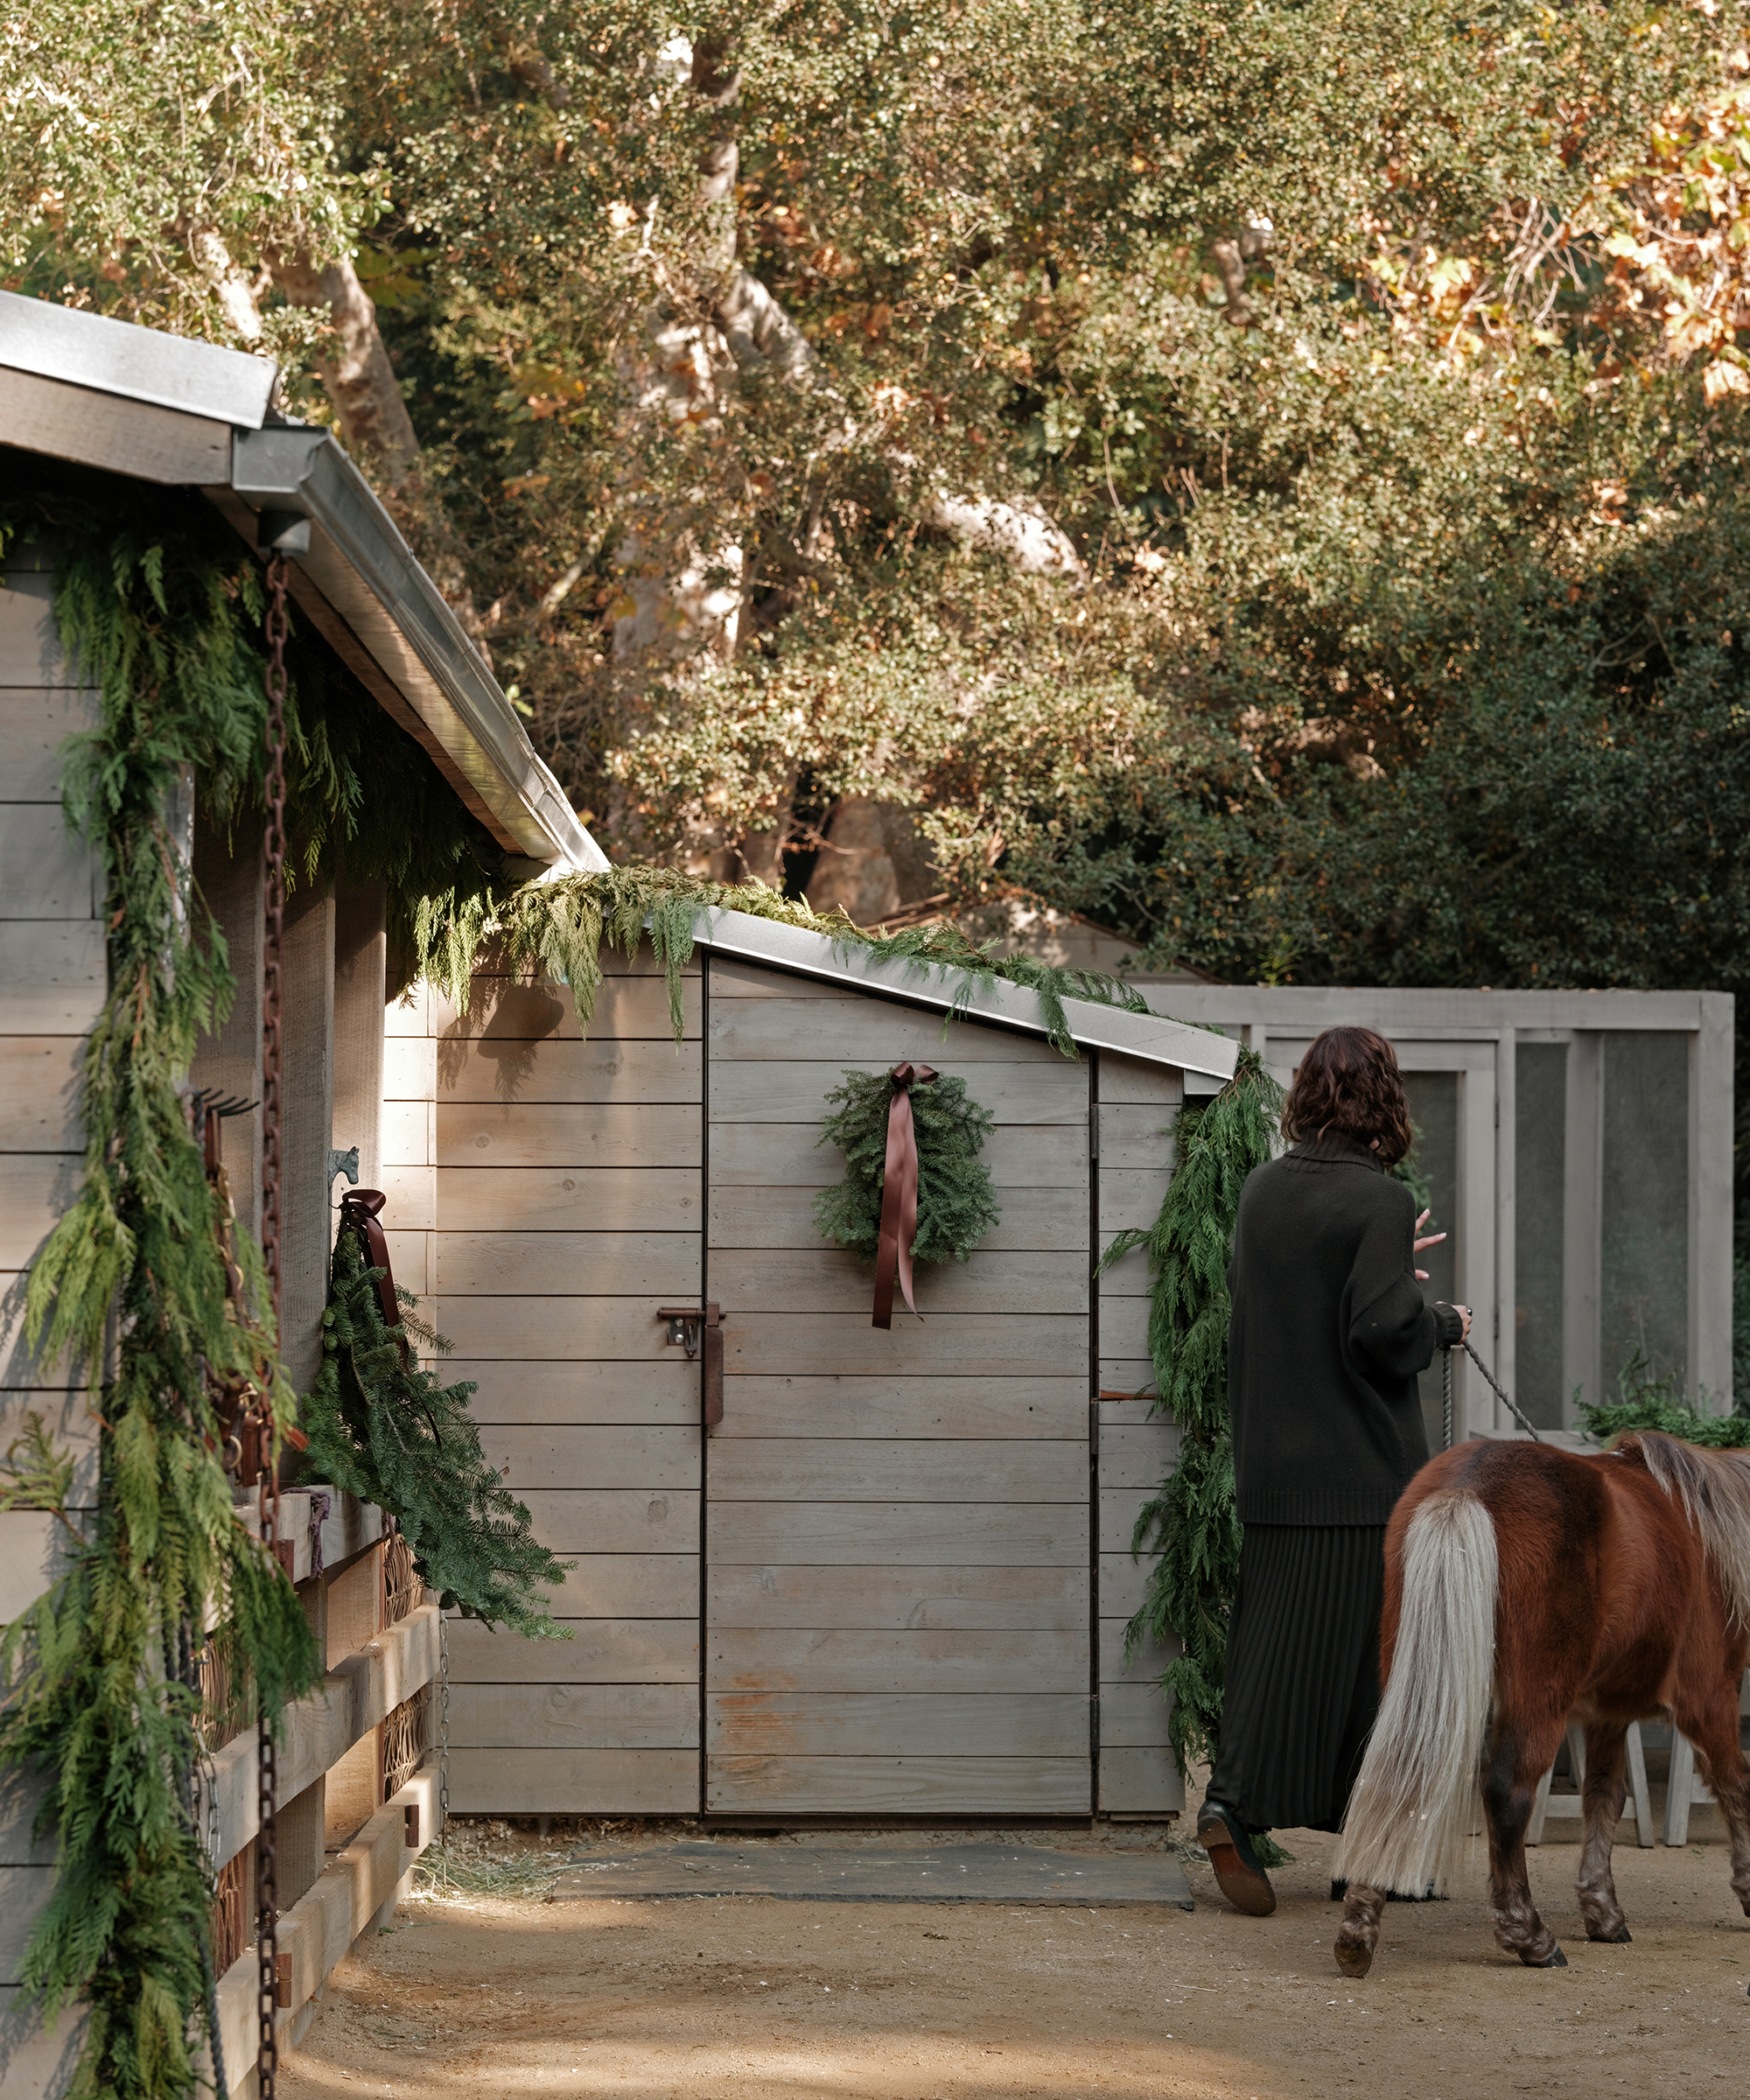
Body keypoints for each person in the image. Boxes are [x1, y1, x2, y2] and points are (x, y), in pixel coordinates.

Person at [1195, 1026, 1470, 1916]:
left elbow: (1290, 1303)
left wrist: (1389, 1285)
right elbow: (1377, 1335)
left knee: (1271, 1653)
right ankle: (1369, 1856)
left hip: (1273, 1471)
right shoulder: (1378, 1201)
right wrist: (1438, 1321)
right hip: (1366, 1479)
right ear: (1382, 1098)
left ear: (1305, 1095)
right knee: (1373, 1669)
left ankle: (1230, 1809)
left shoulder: (1259, 1191)